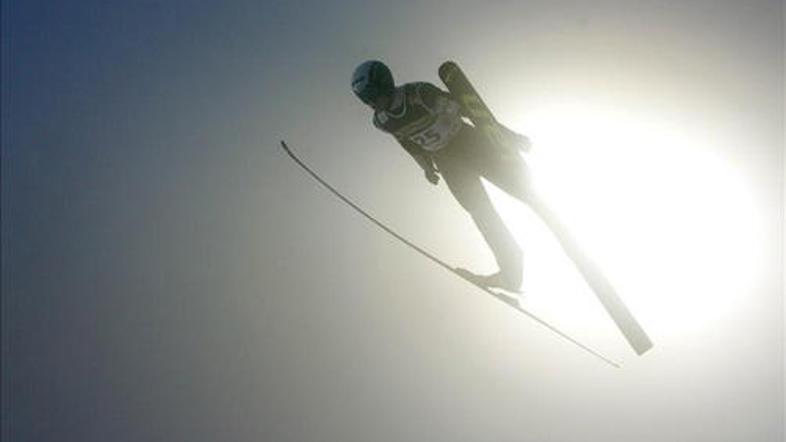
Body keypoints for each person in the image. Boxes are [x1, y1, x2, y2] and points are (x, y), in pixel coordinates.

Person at [351, 60, 534, 292]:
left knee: (521, 188)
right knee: (480, 212)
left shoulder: (419, 93)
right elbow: (407, 142)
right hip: (446, 162)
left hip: (468, 143)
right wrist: (426, 167)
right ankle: (511, 272)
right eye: (366, 100)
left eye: (373, 96)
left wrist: (510, 137)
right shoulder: (381, 121)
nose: (372, 104)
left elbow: (472, 110)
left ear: (385, 84)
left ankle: (542, 201)